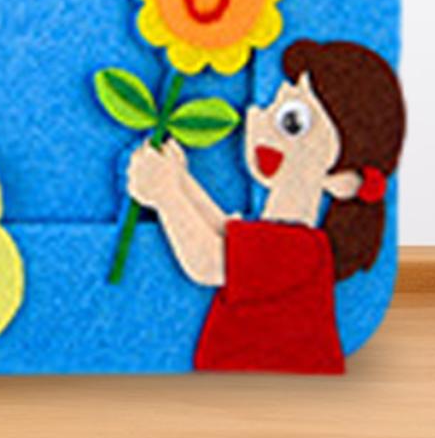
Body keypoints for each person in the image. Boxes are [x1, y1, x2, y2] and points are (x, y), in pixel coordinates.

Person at [126, 38, 405, 373]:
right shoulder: (283, 236)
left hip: (260, 384)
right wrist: (180, 181)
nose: (257, 117)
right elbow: (226, 234)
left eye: (291, 122)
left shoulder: (301, 248)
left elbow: (210, 263)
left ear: (343, 180)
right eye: (275, 107)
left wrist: (166, 196)